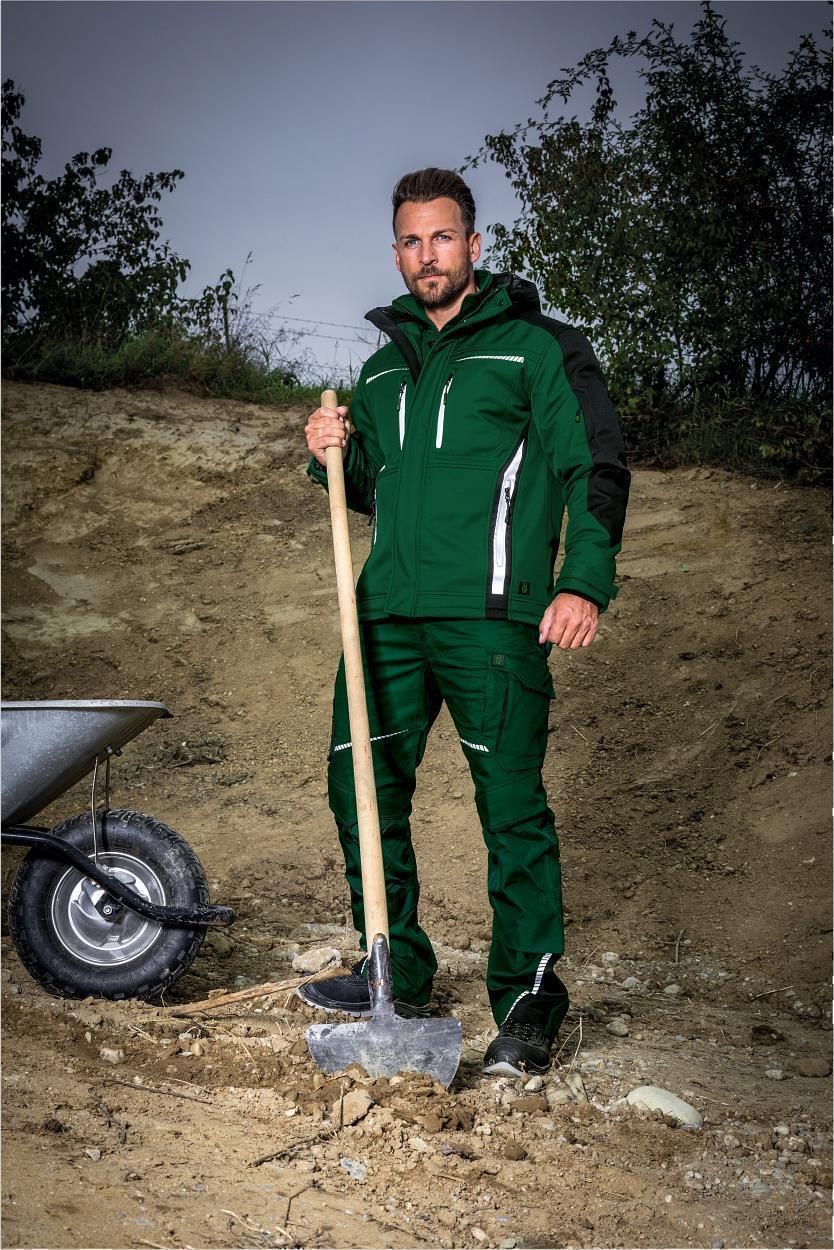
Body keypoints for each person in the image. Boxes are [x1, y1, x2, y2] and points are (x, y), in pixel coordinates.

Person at [298, 167, 630, 1077]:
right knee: (358, 791)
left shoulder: (536, 348)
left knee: (510, 809)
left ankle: (526, 1003)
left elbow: (593, 465)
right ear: (397, 250)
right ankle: (393, 972)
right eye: (410, 241)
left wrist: (582, 584)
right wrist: (335, 455)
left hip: (491, 620)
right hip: (386, 619)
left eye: (442, 238)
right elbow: (370, 488)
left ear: (474, 245)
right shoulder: (379, 365)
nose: (426, 256)